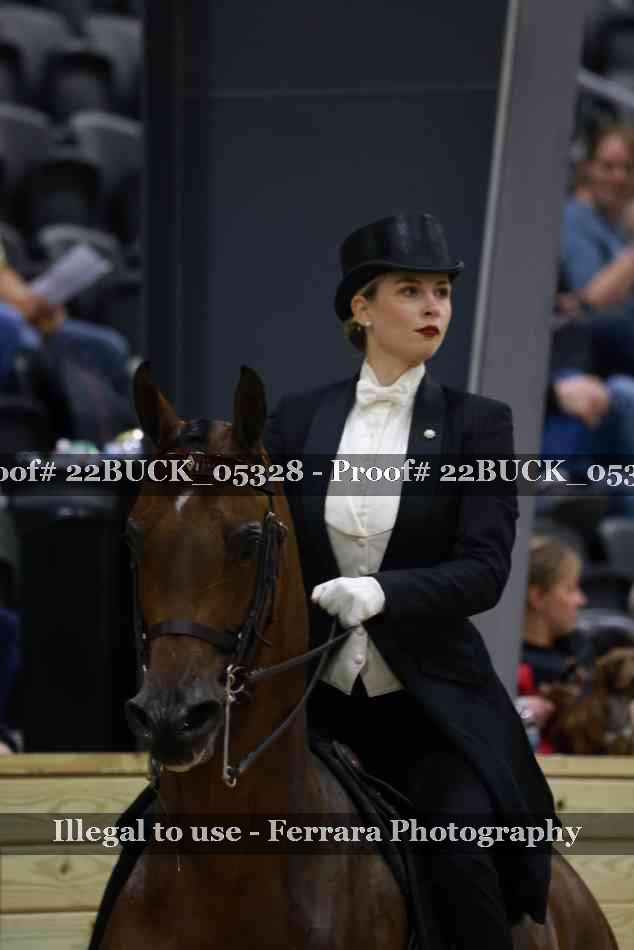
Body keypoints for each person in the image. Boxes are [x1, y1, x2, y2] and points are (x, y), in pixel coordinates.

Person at [265, 213, 558, 950]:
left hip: (427, 711)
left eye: (442, 292)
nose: (434, 307)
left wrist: (385, 592)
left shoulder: (478, 425)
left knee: (459, 857)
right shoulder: (297, 422)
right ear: (362, 308)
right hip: (311, 705)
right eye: (410, 290)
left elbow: (485, 571)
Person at [522, 536, 593, 688]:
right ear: (537, 597)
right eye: (571, 589)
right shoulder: (516, 668)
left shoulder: (580, 649)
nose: (582, 600)